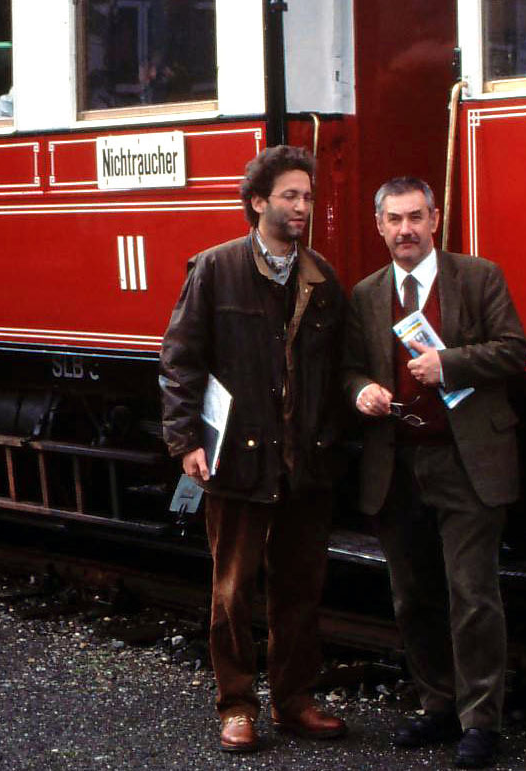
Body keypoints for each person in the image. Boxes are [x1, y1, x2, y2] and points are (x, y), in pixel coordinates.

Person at [160, 145, 347, 753]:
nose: (302, 207)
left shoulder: (321, 277)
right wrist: (185, 440)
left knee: (299, 591)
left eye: (307, 197)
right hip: (238, 457)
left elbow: (336, 369)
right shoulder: (215, 269)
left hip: (303, 462)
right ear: (258, 202)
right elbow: (180, 360)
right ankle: (237, 706)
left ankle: (294, 702)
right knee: (232, 591)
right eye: (290, 196)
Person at [343, 176, 526, 770]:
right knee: (412, 597)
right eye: (395, 219)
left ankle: (481, 723)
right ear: (379, 226)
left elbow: (515, 350)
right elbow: (348, 369)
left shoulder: (479, 277)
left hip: (466, 461)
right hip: (397, 464)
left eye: (416, 217)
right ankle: (438, 705)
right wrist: (362, 392)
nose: (406, 230)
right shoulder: (366, 294)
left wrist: (448, 364)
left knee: (472, 595)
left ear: (436, 219)